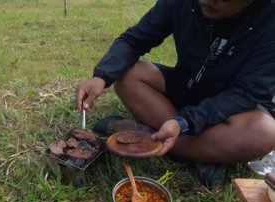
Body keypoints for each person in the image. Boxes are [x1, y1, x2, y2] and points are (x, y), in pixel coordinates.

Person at [75, 0, 275, 186]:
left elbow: (247, 93)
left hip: (227, 108)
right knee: (128, 74)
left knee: (265, 132)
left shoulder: (269, 20)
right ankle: (201, 153)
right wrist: (101, 76)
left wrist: (183, 122)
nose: (206, 0)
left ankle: (148, 136)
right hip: (184, 86)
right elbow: (135, 39)